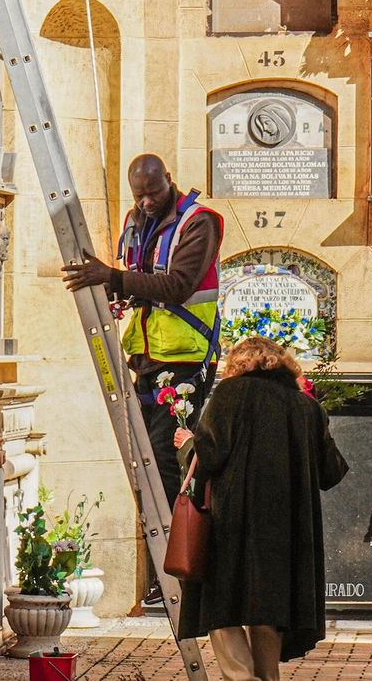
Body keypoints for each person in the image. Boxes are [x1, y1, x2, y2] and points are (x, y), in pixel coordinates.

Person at [62, 153, 222, 607]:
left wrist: (112, 277)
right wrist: (107, 283)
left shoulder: (199, 222)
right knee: (145, 463)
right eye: (139, 195)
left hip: (185, 361)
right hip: (147, 360)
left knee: (169, 464)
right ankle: (163, 566)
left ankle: (177, 568)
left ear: (169, 180)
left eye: (153, 192)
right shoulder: (137, 221)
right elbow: (135, 280)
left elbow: (178, 285)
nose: (146, 202)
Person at [173, 336, 348, 681]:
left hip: (233, 522)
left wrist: (188, 444)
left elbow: (211, 456)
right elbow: (331, 471)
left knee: (220, 606)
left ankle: (241, 677)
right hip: (288, 527)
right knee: (269, 607)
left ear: (237, 364)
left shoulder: (229, 394)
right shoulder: (306, 406)